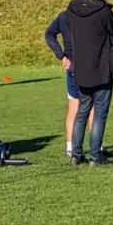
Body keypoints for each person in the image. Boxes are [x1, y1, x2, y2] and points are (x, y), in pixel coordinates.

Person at [67, 0, 113, 167]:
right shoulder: (102, 10)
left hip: (81, 68)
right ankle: (95, 156)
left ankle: (76, 153)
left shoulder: (71, 8)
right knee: (100, 112)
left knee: (82, 110)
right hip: (101, 67)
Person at [44, 9, 93, 159]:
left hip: (71, 66)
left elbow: (49, 34)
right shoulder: (88, 15)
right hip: (88, 66)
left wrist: (61, 55)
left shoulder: (63, 16)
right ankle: (96, 148)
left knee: (74, 108)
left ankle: (70, 147)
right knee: (92, 108)